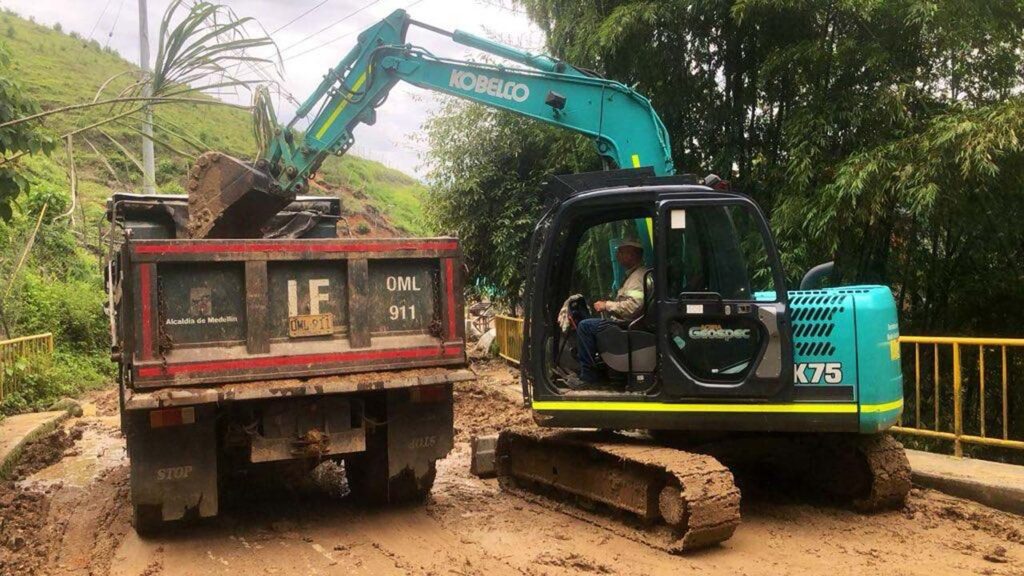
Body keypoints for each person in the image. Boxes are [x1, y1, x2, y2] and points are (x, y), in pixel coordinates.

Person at [574, 239, 647, 384]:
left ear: (632, 255)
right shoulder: (636, 275)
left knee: (585, 326)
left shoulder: (638, 278)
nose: (617, 255)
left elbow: (633, 307)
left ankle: (589, 377)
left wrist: (607, 305)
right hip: (627, 322)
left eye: (621, 252)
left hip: (627, 325)